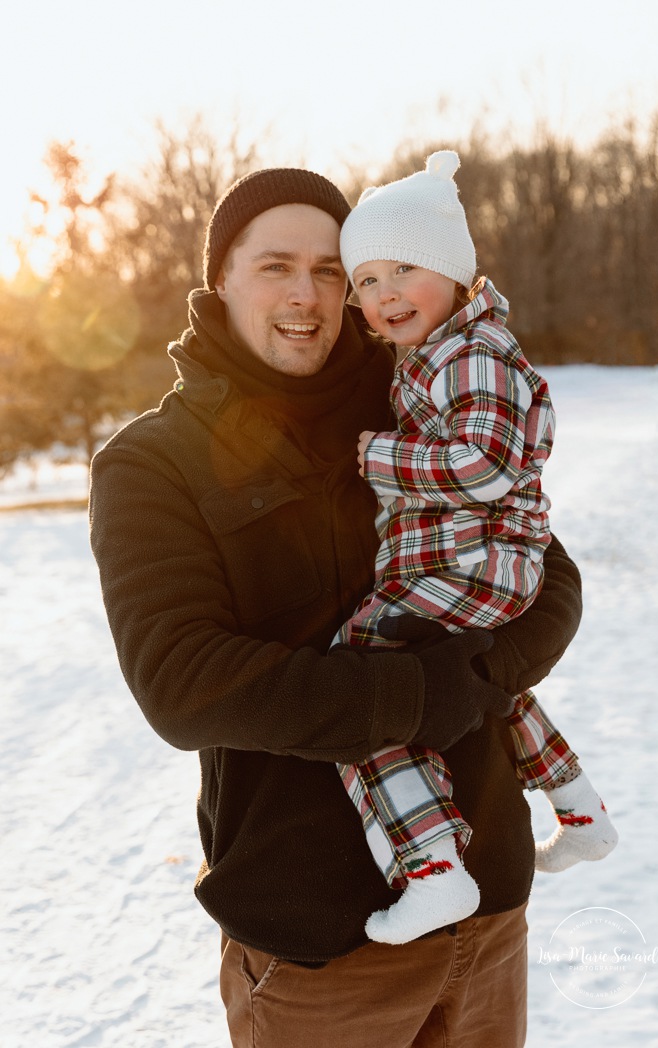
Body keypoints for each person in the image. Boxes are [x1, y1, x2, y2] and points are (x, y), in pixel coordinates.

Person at [89, 164, 584, 1048]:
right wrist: (433, 692)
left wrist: (473, 670)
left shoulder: (407, 395)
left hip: (490, 906)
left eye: (330, 270)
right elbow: (186, 684)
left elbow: (548, 574)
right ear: (221, 279)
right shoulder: (153, 461)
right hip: (321, 950)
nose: (308, 295)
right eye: (276, 265)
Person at [329, 150, 618, 949]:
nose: (383, 293)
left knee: (359, 668)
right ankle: (579, 809)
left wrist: (377, 456)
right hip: (482, 565)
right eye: (365, 281)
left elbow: (484, 465)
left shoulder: (470, 355)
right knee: (486, 680)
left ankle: (430, 865)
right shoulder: (444, 350)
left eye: (402, 270)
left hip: (476, 563)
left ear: (455, 272)